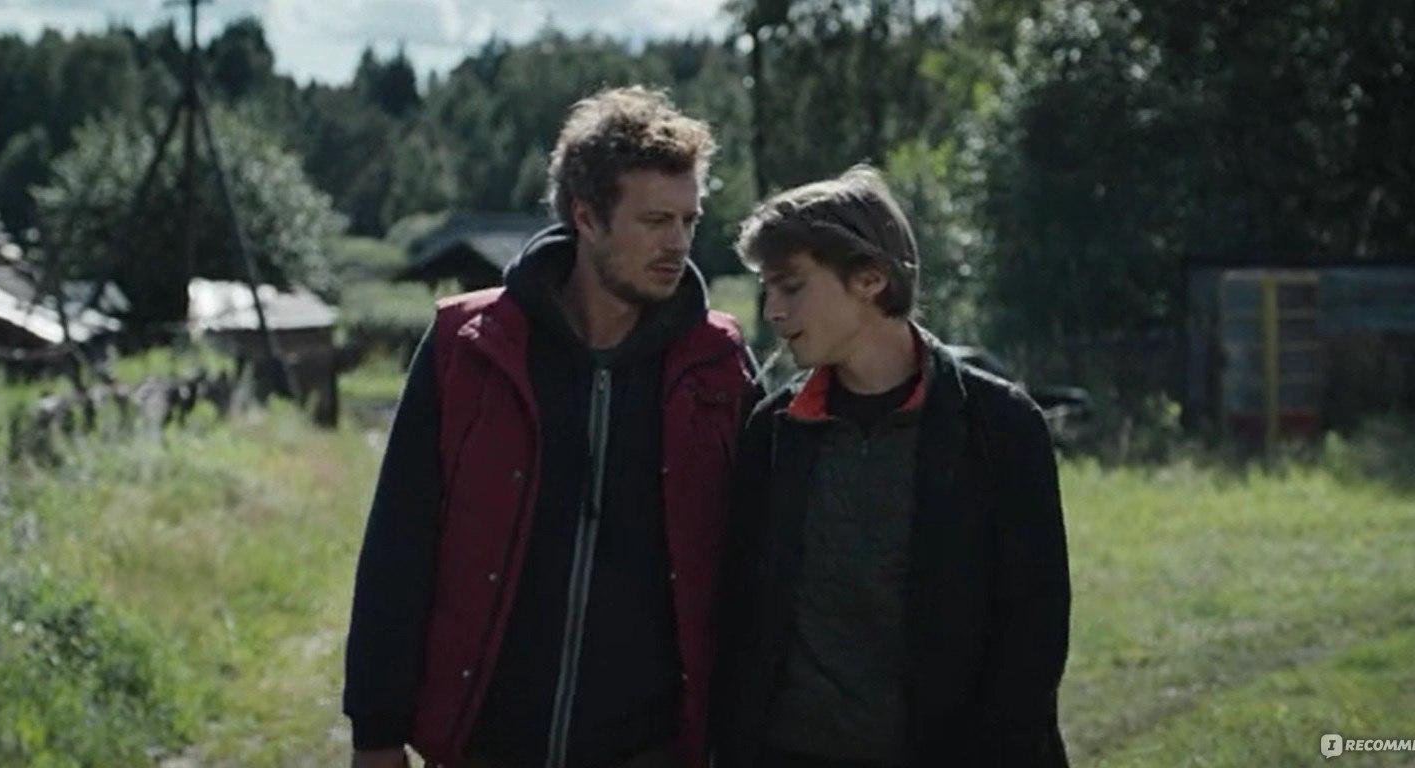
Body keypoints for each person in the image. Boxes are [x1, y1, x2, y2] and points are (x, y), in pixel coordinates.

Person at [344, 86, 755, 768]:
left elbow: (753, 567)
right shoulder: (469, 345)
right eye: (655, 220)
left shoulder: (717, 364)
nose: (678, 243)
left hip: (650, 750)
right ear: (586, 216)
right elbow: (399, 542)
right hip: (488, 744)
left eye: (689, 220)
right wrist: (376, 730)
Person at [712, 166, 1071, 767]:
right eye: (767, 289)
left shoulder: (1000, 427)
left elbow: (1033, 638)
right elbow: (742, 622)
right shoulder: (774, 432)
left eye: (791, 287)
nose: (771, 311)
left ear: (870, 278)